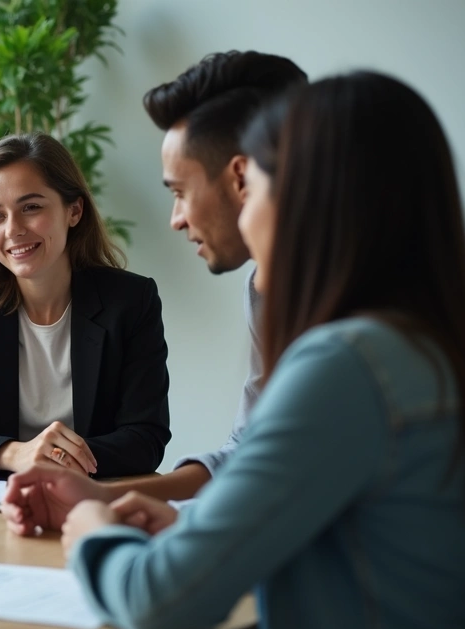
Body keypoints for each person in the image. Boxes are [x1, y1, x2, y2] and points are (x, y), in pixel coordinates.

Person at [7, 72, 465, 629]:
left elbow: (155, 601)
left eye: (256, 183)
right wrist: (193, 532)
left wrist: (92, 525)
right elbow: (369, 548)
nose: (245, 208)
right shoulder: (451, 351)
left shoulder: (347, 367)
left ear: (302, 194)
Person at [86, 50, 308, 500]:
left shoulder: (358, 329)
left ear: (242, 178)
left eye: (181, 192)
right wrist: (103, 496)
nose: (176, 219)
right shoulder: (263, 289)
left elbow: (288, 481)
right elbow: (252, 448)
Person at [0, 133, 170, 479]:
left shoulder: (131, 301)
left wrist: (54, 460)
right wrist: (16, 454)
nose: (13, 230)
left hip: (89, 496)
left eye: (31, 207)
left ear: (74, 210)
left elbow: (146, 437)